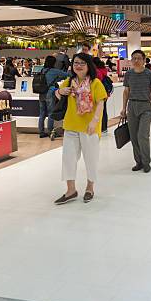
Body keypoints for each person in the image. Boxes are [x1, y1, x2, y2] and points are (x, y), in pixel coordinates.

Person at [53, 53, 107, 204]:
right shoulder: (69, 81)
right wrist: (59, 92)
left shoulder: (95, 83)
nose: (78, 65)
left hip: (89, 128)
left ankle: (90, 188)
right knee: (68, 159)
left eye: (82, 63)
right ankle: (71, 190)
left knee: (91, 159)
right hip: (70, 125)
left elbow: (101, 102)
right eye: (76, 62)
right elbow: (58, 96)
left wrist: (94, 122)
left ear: (88, 65)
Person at [120, 50, 151, 173]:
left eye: (139, 58)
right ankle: (138, 162)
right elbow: (126, 91)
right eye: (134, 58)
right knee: (133, 136)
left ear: (144, 60)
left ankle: (146, 162)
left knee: (142, 136)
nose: (136, 61)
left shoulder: (149, 74)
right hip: (132, 106)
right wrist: (123, 108)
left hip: (145, 107)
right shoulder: (128, 74)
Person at [38, 56, 69, 138]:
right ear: (54, 63)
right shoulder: (54, 71)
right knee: (51, 113)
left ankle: (41, 132)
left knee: (42, 114)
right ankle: (50, 132)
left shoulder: (42, 70)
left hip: (41, 93)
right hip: (50, 93)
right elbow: (67, 74)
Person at [94, 58, 111, 133]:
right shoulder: (103, 69)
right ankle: (104, 127)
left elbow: (97, 81)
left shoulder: (96, 71)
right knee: (104, 110)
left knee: (99, 110)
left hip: (99, 92)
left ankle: (101, 127)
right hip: (105, 92)